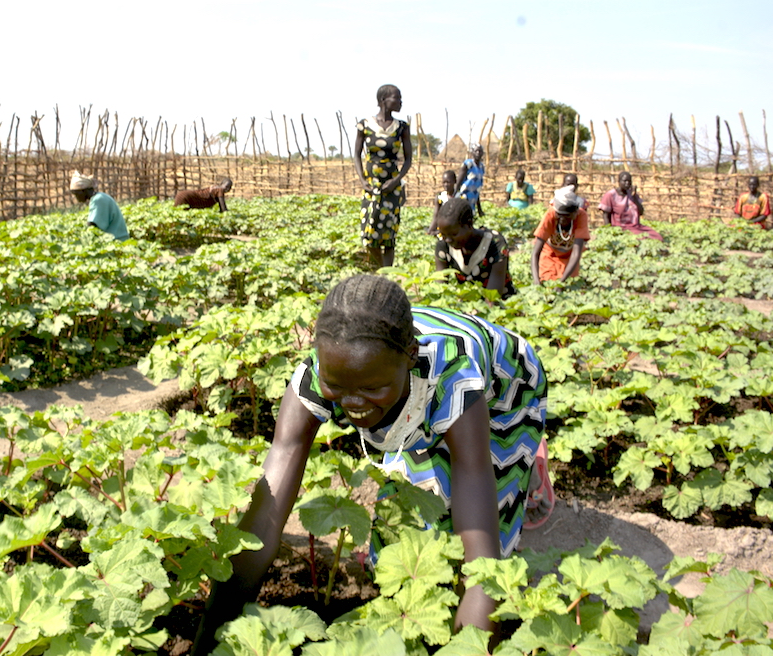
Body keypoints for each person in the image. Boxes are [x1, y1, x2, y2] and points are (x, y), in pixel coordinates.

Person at [192, 275, 550, 654]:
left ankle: (532, 472)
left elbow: (483, 560)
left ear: (410, 357)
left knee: (486, 506)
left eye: (371, 389)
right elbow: (262, 520)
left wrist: (474, 643)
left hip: (504, 397)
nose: (353, 403)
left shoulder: (453, 377)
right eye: (337, 388)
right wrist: (210, 636)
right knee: (410, 504)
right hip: (411, 396)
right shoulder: (323, 372)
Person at [353, 84, 412, 268]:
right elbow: (356, 154)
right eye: (397, 97)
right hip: (371, 186)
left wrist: (396, 181)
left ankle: (387, 275)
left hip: (392, 188)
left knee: (389, 233)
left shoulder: (402, 127)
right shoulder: (364, 125)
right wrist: (363, 181)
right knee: (370, 232)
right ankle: (378, 271)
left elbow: (409, 159)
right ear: (383, 100)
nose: (401, 101)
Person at [435, 197, 517, 298]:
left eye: (454, 234)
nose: (448, 239)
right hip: (466, 305)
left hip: (500, 305)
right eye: (443, 235)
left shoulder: (495, 243)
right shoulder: (444, 246)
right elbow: (439, 286)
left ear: (469, 224)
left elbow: (493, 297)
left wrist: (475, 312)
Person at [531, 185, 590, 284]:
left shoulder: (581, 216)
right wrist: (536, 281)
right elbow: (536, 253)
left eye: (567, 216)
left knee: (570, 284)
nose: (562, 219)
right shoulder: (550, 215)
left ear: (575, 213)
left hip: (570, 255)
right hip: (550, 253)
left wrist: (561, 283)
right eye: (559, 215)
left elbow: (576, 253)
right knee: (547, 280)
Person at [598, 171, 663, 241]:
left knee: (658, 238)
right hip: (621, 228)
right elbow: (606, 216)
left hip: (636, 227)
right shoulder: (611, 195)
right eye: (625, 181)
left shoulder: (632, 194)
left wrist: (634, 197)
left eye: (629, 181)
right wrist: (609, 232)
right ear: (619, 181)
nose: (627, 183)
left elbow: (641, 212)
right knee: (640, 240)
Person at [69, 171, 130, 240]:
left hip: (117, 240)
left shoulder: (98, 200)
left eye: (76, 194)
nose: (75, 197)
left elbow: (93, 225)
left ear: (83, 191)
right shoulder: (100, 196)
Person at [457, 144, 486, 217]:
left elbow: (477, 188)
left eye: (480, 151)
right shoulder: (468, 164)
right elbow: (458, 182)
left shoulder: (481, 167)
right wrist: (454, 195)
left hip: (473, 199)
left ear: (482, 153)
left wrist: (479, 209)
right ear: (472, 152)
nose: (478, 153)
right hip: (464, 197)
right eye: (476, 151)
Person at [426, 169, 457, 235]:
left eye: (448, 182)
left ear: (455, 181)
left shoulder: (460, 197)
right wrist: (430, 230)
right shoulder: (440, 197)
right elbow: (436, 215)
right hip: (443, 226)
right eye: (444, 182)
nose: (446, 185)